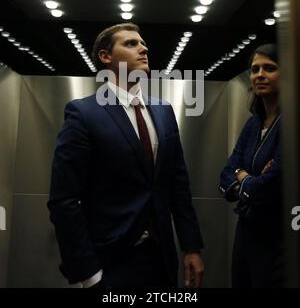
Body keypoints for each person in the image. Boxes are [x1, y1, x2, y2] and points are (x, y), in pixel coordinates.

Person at [48, 23, 204, 288]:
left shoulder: (163, 111)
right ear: (106, 57)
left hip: (161, 258)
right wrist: (88, 273)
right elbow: (64, 200)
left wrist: (191, 247)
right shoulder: (84, 113)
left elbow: (178, 185)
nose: (143, 48)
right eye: (130, 43)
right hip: (110, 261)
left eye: (143, 44)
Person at [219, 43, 284, 288]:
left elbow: (271, 184)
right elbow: (226, 172)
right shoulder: (253, 124)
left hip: (276, 236)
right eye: (255, 69)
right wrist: (245, 179)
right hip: (246, 230)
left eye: (269, 68)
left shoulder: (291, 122)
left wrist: (242, 178)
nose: (260, 75)